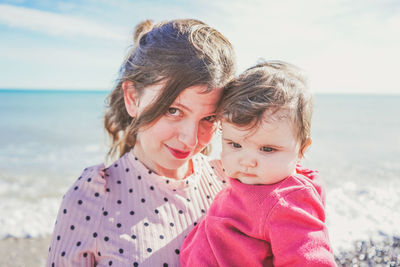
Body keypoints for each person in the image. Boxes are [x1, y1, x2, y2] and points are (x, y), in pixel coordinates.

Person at [47, 18, 235, 266]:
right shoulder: (92, 197)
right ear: (132, 98)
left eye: (209, 118)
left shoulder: (230, 183)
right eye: (173, 110)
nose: (190, 139)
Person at [180, 61, 337, 266]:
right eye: (235, 144)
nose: (247, 161)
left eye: (267, 149)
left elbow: (310, 261)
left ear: (301, 150)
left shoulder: (286, 201)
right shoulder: (257, 182)